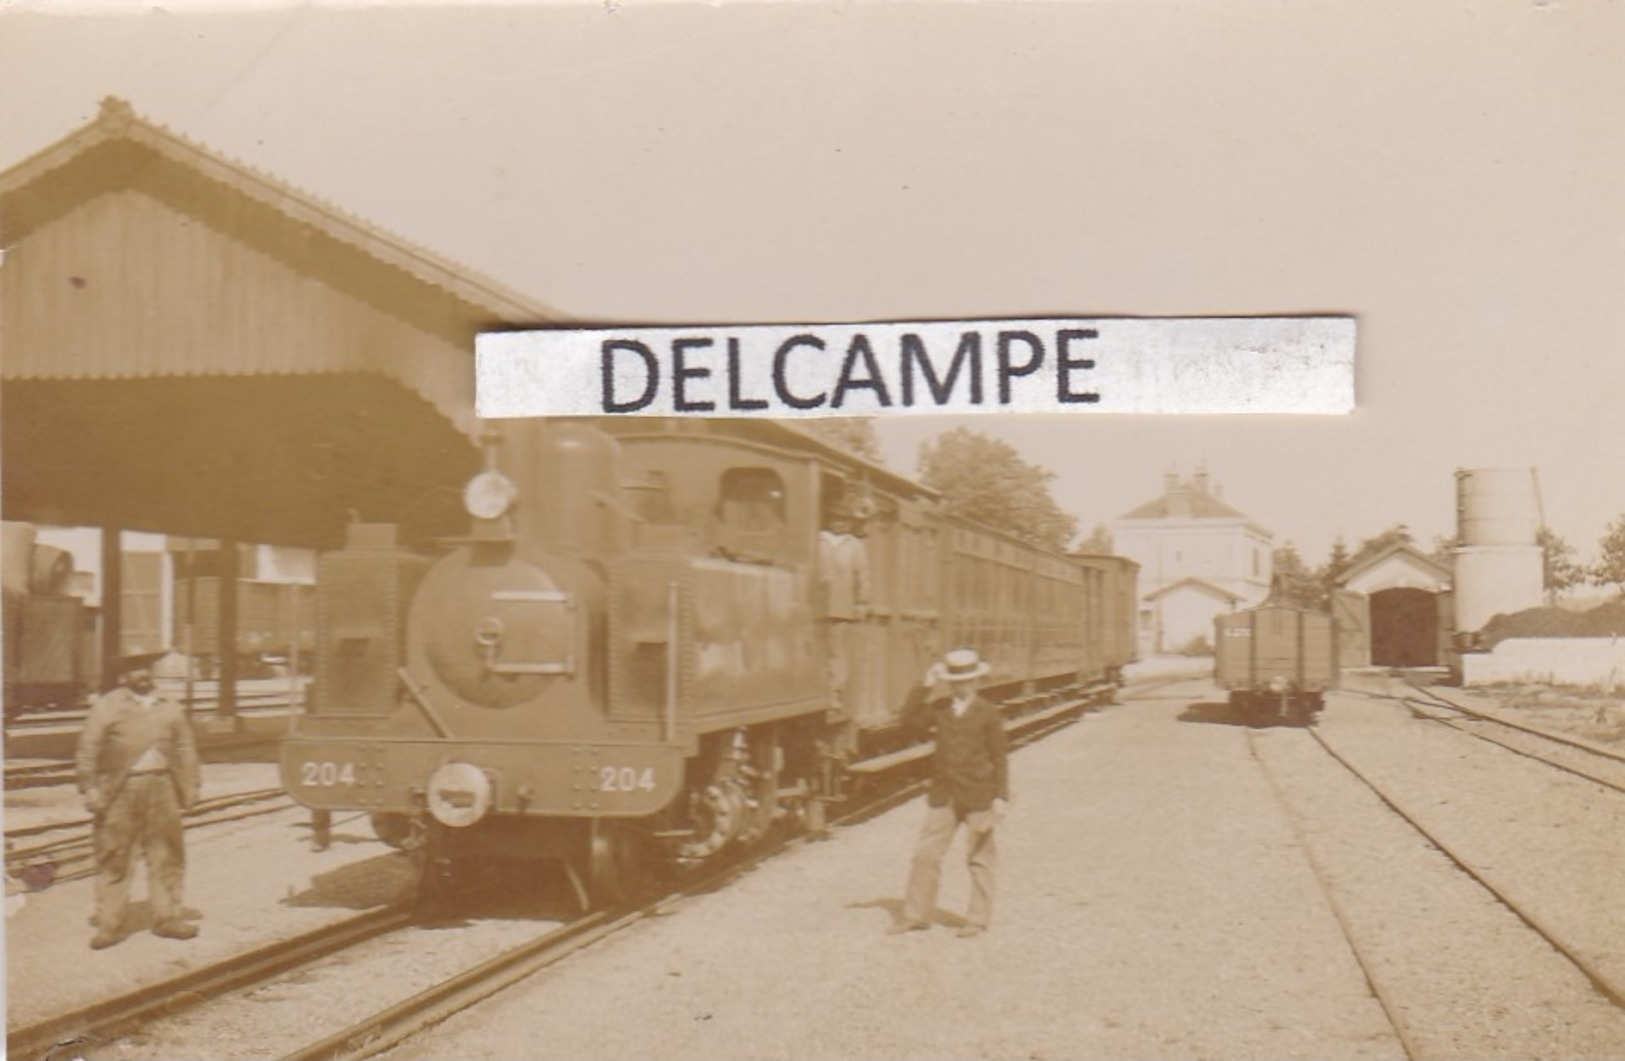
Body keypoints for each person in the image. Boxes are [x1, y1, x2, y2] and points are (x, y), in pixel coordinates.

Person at [76, 649, 202, 949]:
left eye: (146, 668)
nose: (142, 674)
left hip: (163, 788)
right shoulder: (107, 706)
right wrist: (89, 788)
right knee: (115, 856)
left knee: (167, 855)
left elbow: (186, 747)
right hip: (121, 791)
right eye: (135, 669)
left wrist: (192, 785)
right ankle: (111, 924)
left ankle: (169, 917)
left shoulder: (169, 706)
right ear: (124, 675)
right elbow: (88, 749)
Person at [890, 647, 1009, 939]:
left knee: (980, 858)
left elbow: (1000, 756)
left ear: (976, 682)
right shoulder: (940, 708)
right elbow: (907, 721)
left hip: (979, 794)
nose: (961, 687)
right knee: (925, 856)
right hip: (944, 794)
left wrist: (1001, 797)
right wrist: (925, 685)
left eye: (967, 681)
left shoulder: (989, 713)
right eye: (956, 682)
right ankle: (916, 915)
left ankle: (977, 919)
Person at [819, 506, 870, 716]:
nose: (839, 523)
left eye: (844, 519)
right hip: (817, 603)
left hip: (841, 605)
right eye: (836, 518)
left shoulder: (854, 546)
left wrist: (861, 602)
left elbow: (862, 575)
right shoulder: (818, 540)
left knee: (836, 651)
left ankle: (834, 693)